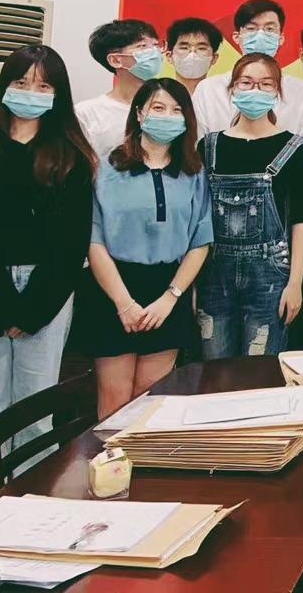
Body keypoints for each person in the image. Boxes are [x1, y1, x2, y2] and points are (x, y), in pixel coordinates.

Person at [0, 45, 94, 505]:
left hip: (47, 291)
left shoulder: (71, 153)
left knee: (36, 408)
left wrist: (31, 311)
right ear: (4, 87)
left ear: (58, 94)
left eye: (44, 85)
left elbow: (72, 243)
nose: (31, 92)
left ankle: (34, 512)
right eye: (22, 82)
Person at [83, 79, 212, 417]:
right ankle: (110, 456)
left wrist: (171, 297)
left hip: (168, 289)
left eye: (176, 110)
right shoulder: (105, 167)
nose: (167, 116)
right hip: (114, 288)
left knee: (151, 399)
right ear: (139, 114)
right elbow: (94, 240)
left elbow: (200, 241)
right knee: (115, 401)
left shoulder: (193, 171)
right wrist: (123, 303)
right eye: (158, 107)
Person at [196, 53, 303, 358]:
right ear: (233, 88)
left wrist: (295, 283)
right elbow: (197, 219)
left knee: (260, 372)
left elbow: (301, 221)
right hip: (213, 275)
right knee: (214, 370)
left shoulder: (296, 149)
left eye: (265, 84)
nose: (255, 90)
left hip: (270, 277)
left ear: (277, 92)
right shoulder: (208, 146)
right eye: (246, 82)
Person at [191, 0, 303, 141]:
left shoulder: (302, 91)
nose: (260, 35)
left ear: (281, 38)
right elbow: (195, 146)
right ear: (237, 37)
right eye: (251, 28)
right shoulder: (208, 90)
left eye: (269, 29)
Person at [74, 19, 162, 161]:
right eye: (142, 46)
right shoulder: (86, 113)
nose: (154, 52)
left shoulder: (172, 107)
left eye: (156, 45)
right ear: (115, 60)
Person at [166, 17, 223, 97]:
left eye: (201, 48)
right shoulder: (157, 97)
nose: (192, 55)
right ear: (169, 56)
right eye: (184, 48)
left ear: (214, 58)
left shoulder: (223, 97)